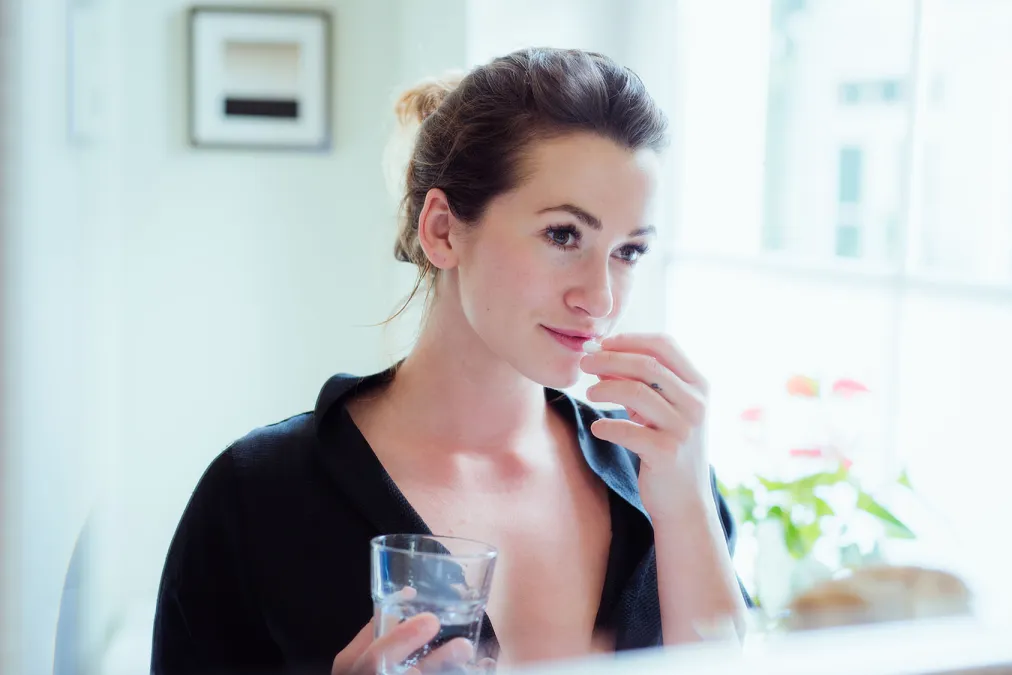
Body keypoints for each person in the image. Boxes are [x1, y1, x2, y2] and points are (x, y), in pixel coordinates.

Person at [151, 47, 750, 675]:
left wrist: (687, 504)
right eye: (563, 235)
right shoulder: (259, 494)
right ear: (441, 230)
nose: (600, 299)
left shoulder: (660, 476)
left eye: (628, 252)